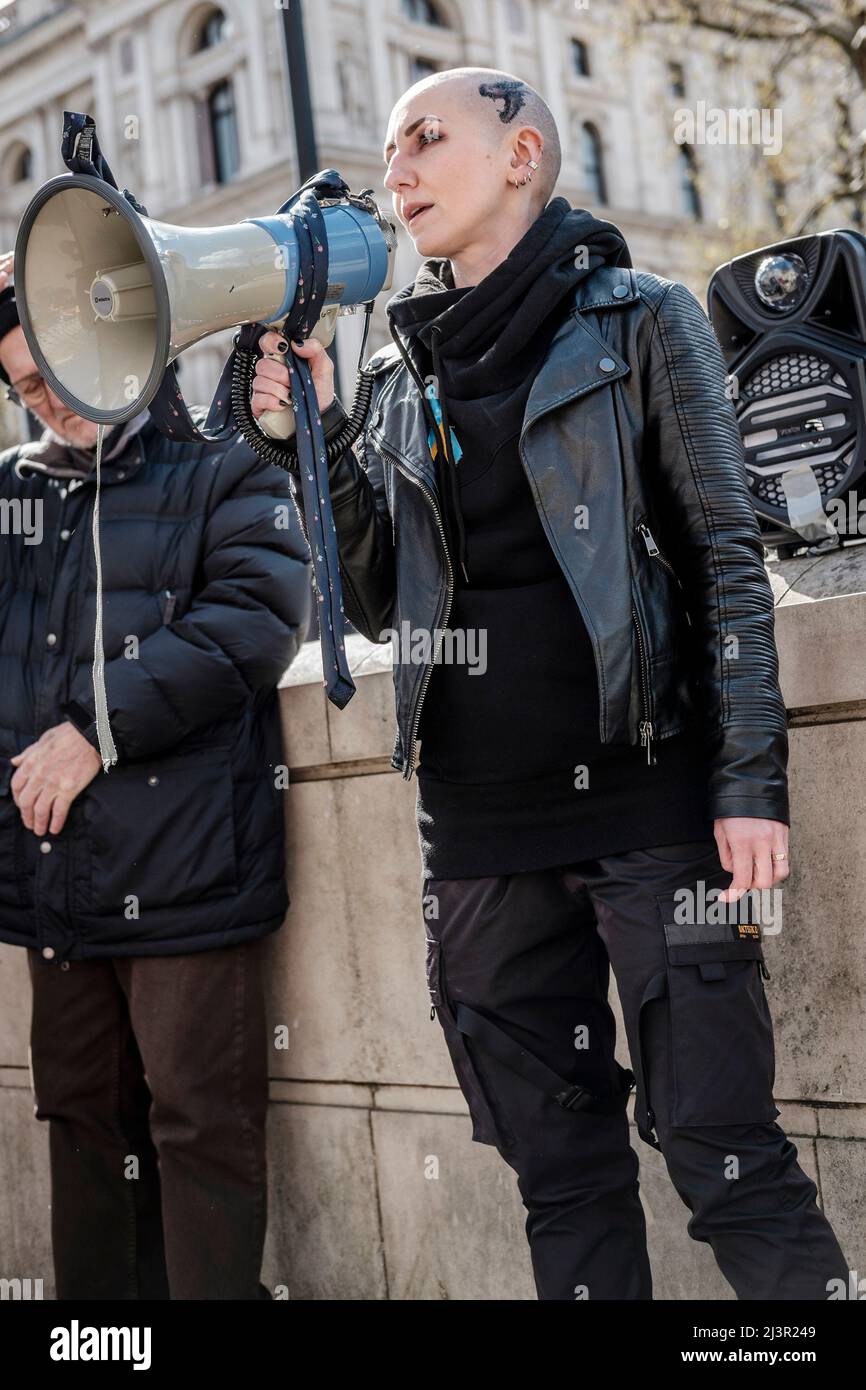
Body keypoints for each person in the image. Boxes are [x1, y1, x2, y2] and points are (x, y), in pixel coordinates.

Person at [251, 68, 849, 1300]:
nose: (396, 171)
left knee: (722, 1151)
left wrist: (747, 781)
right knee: (557, 1173)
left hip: (652, 810)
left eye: (424, 140)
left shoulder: (642, 318)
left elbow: (723, 560)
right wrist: (301, 442)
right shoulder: (393, 369)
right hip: (475, 836)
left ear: (519, 156)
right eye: (387, 147)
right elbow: (375, 603)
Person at [0, 254, 311, 1299]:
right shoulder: (12, 494)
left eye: (56, 368)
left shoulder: (222, 468)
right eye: (24, 386)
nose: (48, 400)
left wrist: (95, 730)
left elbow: (258, 621)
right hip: (55, 882)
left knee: (198, 1127)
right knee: (80, 1122)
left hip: (187, 875)